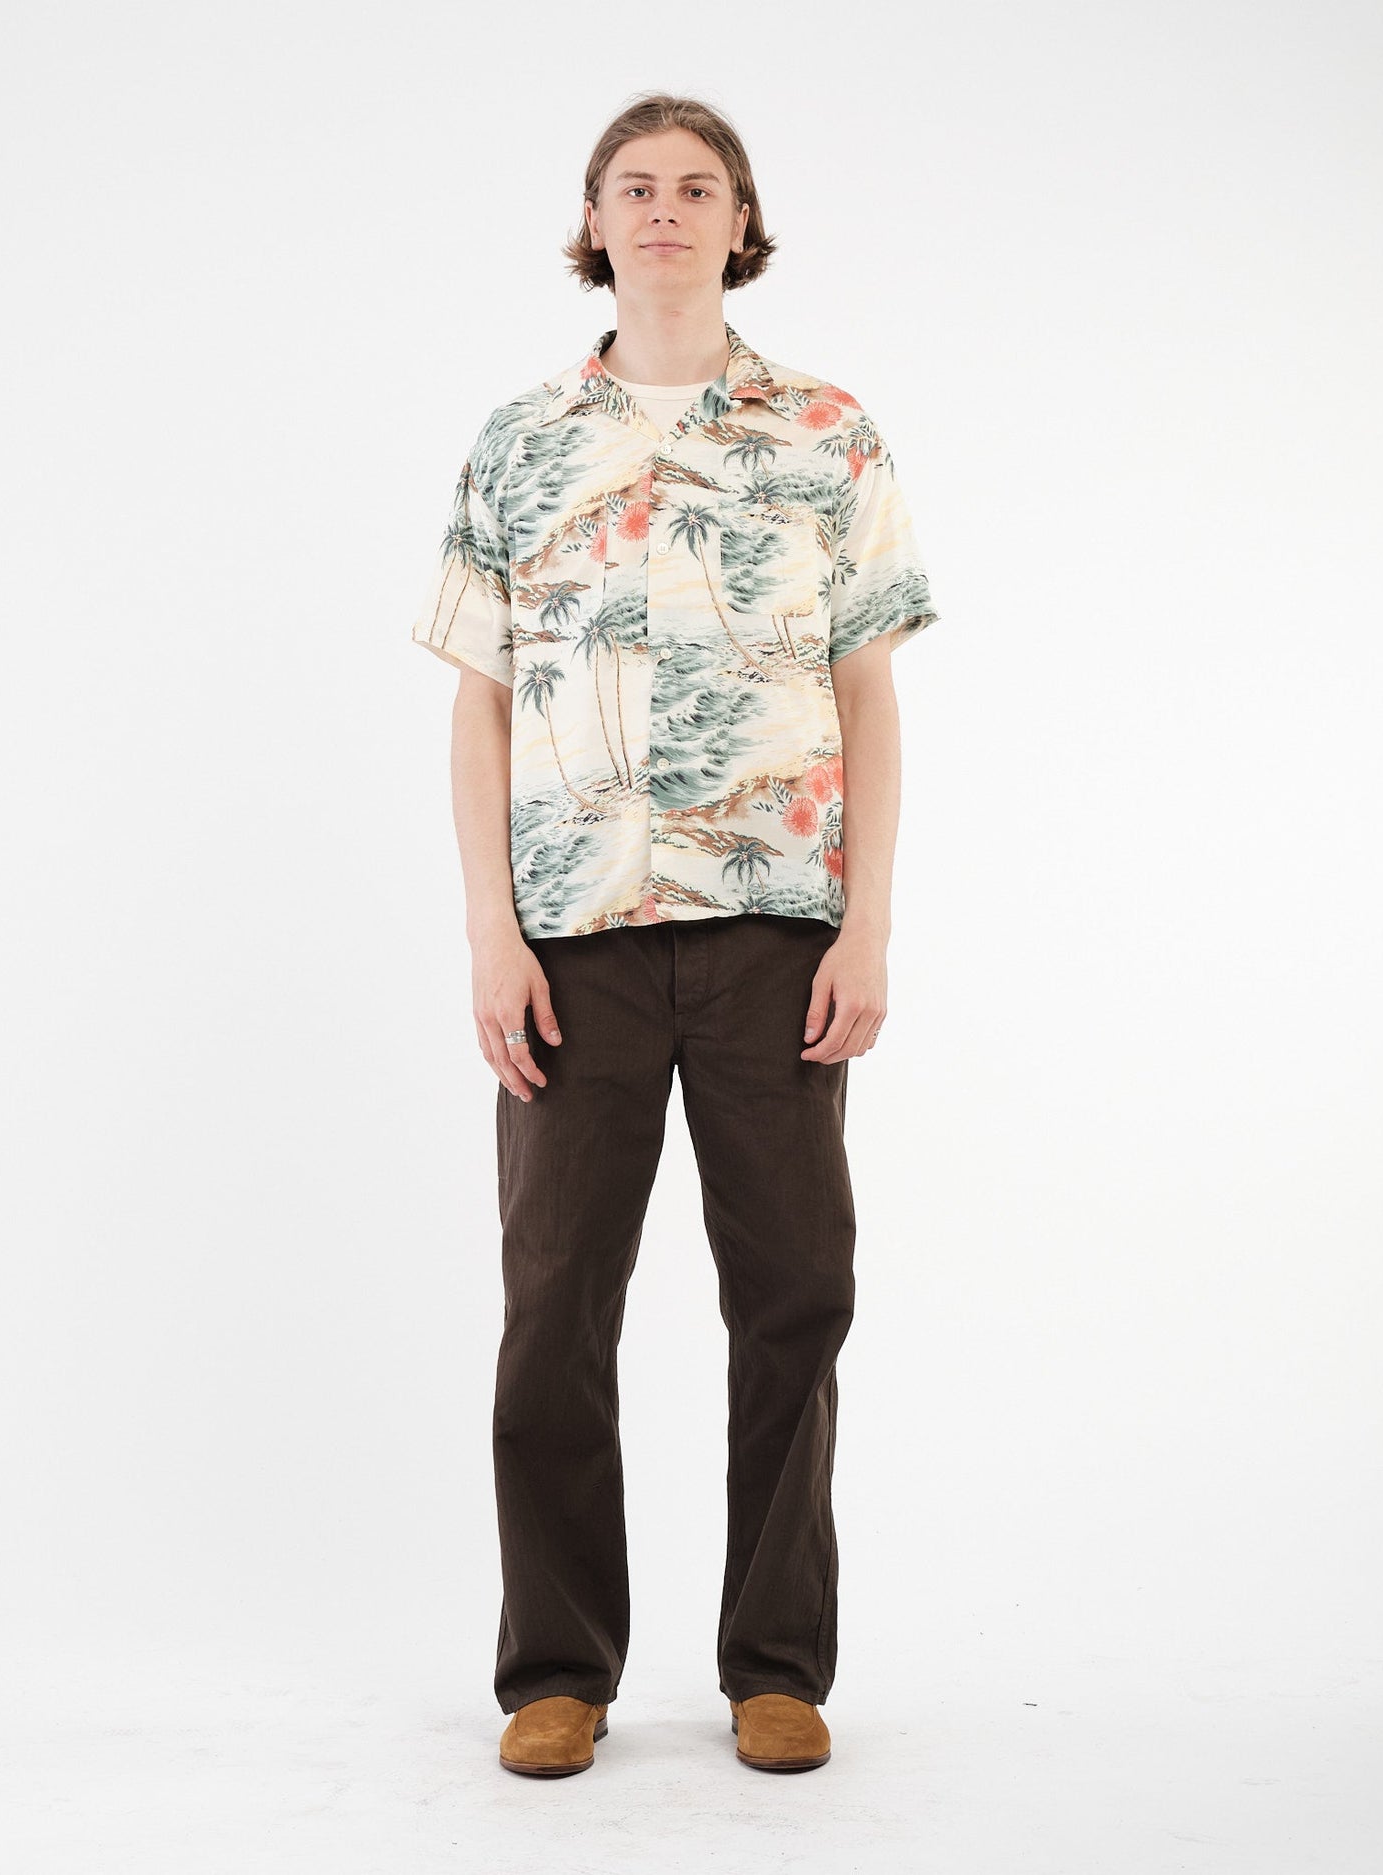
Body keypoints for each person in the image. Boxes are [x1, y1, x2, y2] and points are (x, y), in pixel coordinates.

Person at [412, 91, 940, 1778]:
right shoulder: (518, 443)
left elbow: (868, 692)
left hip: (776, 928)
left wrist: (867, 924)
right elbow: (480, 704)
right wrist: (490, 935)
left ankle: (776, 1666)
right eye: (632, 186)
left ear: (740, 223)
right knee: (555, 1303)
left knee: (795, 1294)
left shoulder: (828, 434)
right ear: (593, 221)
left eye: (696, 186)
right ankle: (556, 1672)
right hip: (572, 940)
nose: (663, 209)